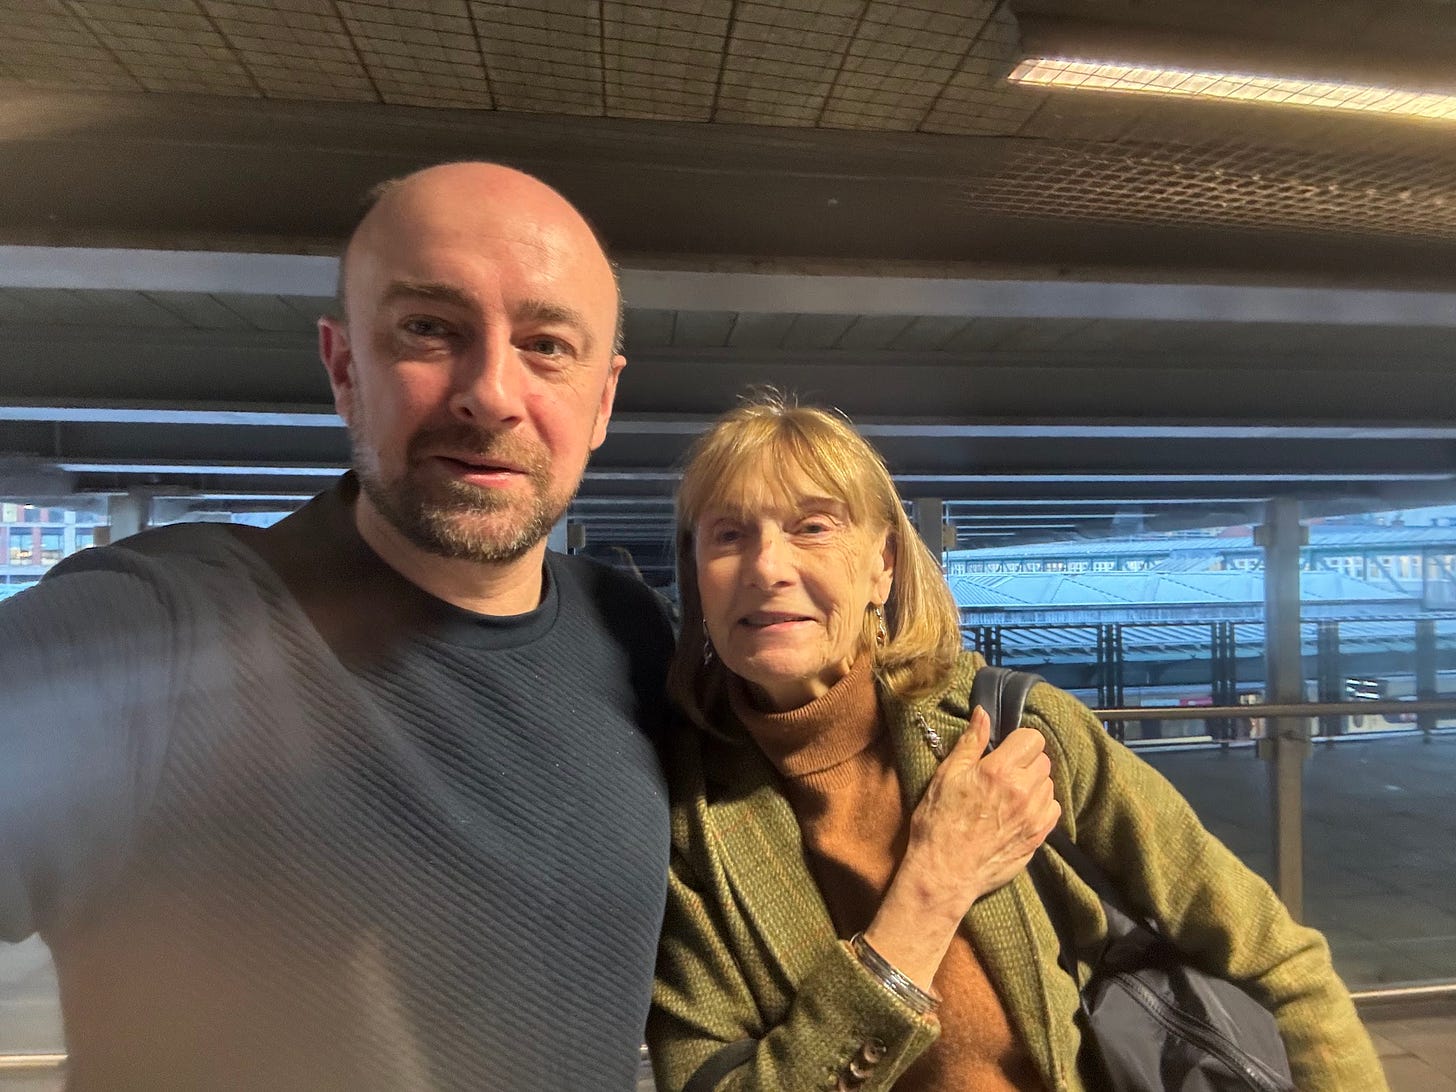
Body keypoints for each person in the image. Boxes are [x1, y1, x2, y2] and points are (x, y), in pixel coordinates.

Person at [0, 162, 675, 1091]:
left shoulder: (634, 635)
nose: (491, 393)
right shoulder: (154, 634)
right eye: (429, 328)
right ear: (345, 368)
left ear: (602, 401)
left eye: (548, 344)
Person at [647, 395, 1385, 1091]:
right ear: (697, 576)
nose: (767, 567)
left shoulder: (1016, 732)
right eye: (729, 535)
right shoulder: (682, 819)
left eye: (812, 527)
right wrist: (930, 892)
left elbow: (1280, 965)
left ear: (884, 567)